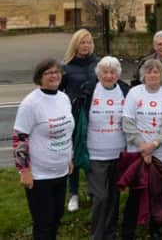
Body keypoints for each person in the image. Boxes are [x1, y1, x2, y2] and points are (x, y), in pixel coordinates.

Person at [13, 58, 75, 239]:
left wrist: (69, 158)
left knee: (56, 218)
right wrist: (24, 170)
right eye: (49, 73)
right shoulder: (30, 104)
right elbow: (19, 138)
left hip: (61, 171)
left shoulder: (64, 98)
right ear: (39, 77)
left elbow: (66, 131)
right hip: (39, 175)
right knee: (43, 223)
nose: (55, 76)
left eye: (57, 72)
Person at [121, 59, 162, 240]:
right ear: (143, 75)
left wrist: (153, 145)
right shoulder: (134, 93)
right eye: (149, 72)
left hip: (161, 154)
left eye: (157, 72)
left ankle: (155, 228)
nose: (153, 75)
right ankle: (128, 231)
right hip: (137, 154)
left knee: (158, 193)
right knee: (136, 194)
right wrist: (142, 147)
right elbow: (128, 123)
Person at [76, 56, 130, 240]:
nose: (108, 76)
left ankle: (110, 233)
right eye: (105, 72)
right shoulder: (89, 90)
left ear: (118, 74)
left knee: (114, 196)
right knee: (100, 197)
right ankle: (97, 235)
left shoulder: (125, 90)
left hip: (118, 153)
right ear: (98, 74)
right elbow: (79, 120)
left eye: (112, 72)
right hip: (95, 153)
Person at [60, 28, 98, 212]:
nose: (86, 45)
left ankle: (93, 191)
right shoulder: (66, 67)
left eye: (89, 42)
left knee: (92, 152)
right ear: (76, 44)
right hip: (74, 114)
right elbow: (58, 93)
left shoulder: (97, 64)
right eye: (82, 42)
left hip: (95, 114)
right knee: (74, 153)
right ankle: (73, 193)